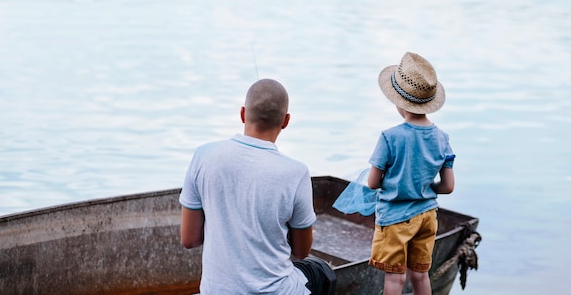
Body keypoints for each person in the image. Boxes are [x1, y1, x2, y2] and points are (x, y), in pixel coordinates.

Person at [179, 79, 336, 295]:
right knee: (321, 272)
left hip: (215, 291)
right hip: (276, 291)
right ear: (286, 121)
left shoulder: (203, 156)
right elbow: (301, 251)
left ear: (243, 114)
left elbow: (189, 239)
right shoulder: (296, 172)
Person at [367, 52, 455, 295]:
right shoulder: (442, 138)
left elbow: (373, 182)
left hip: (395, 218)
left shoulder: (389, 137)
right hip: (427, 216)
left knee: (395, 280)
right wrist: (424, 188)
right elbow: (447, 187)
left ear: (398, 101)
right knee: (420, 274)